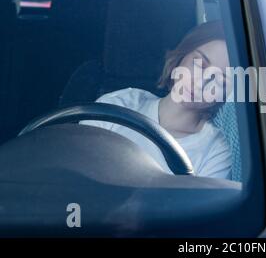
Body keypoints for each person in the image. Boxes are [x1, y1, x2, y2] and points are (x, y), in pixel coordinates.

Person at [82, 21, 232, 179]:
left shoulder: (215, 150)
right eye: (199, 64)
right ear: (182, 56)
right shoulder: (119, 103)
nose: (201, 83)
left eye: (220, 81)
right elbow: (75, 170)